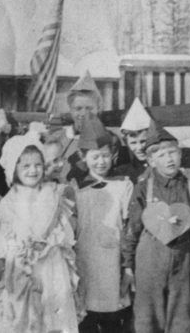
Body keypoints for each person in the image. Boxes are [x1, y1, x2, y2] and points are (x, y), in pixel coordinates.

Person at [0, 132, 82, 333]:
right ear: (15, 169)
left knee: (53, 319)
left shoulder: (54, 194)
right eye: (26, 166)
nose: (33, 170)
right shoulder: (8, 202)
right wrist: (3, 281)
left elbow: (66, 236)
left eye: (38, 164)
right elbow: (1, 248)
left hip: (51, 268)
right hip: (20, 269)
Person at [121, 118, 190, 333]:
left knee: (181, 313)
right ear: (151, 161)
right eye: (161, 155)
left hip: (182, 258)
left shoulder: (189, 185)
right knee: (147, 315)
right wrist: (128, 264)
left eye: (172, 152)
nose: (169, 159)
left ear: (180, 154)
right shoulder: (143, 187)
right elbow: (132, 228)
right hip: (150, 261)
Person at [70, 117, 134, 333]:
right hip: (85, 262)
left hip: (113, 264)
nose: (101, 162)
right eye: (95, 157)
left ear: (113, 155)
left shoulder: (123, 185)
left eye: (106, 156)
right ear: (83, 157)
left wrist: (127, 267)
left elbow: (129, 228)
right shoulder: (76, 189)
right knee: (86, 319)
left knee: (113, 320)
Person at [48, 70, 116, 183]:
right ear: (70, 109)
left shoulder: (110, 139)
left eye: (89, 108)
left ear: (98, 108)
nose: (84, 114)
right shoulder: (58, 138)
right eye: (78, 108)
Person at [114, 98, 152, 184]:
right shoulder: (122, 171)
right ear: (127, 143)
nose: (139, 148)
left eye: (143, 141)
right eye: (133, 143)